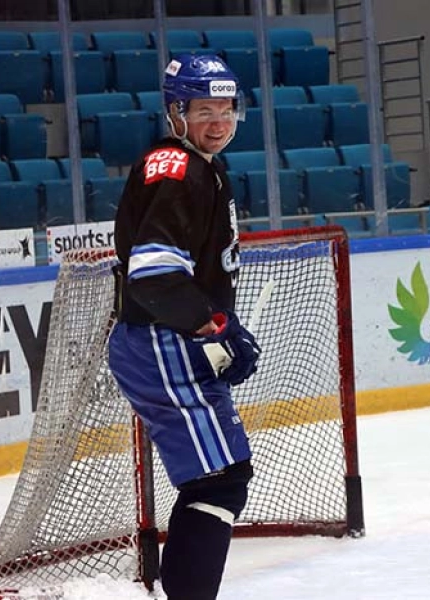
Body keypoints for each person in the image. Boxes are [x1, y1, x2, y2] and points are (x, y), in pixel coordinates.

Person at [107, 54, 260, 600]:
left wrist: (225, 324)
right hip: (160, 340)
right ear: (176, 113)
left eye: (225, 110)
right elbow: (154, 276)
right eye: (203, 111)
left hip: (168, 339)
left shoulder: (203, 167)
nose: (217, 123)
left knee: (219, 479)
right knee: (217, 478)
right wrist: (213, 326)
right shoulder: (176, 170)